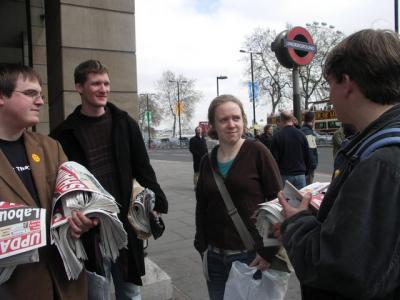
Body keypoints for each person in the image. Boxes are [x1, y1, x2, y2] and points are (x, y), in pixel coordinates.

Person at [278, 29, 400, 299]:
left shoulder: (380, 162)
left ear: (347, 83)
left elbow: (335, 266)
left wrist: (296, 220)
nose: (330, 96)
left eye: (329, 84)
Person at [50, 59, 168, 300]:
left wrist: (157, 204)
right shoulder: (63, 134)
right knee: (96, 294)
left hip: (125, 224)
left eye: (106, 83)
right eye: (96, 83)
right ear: (79, 87)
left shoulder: (125, 124)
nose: (103, 89)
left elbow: (144, 169)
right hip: (90, 229)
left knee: (131, 292)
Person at [0, 64, 89, 299]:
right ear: (1, 97)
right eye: (30, 94)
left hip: (67, 280)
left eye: (41, 94)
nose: (40, 101)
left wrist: (82, 219)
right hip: (16, 286)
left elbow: (74, 200)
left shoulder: (50, 147)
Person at [194, 94, 283, 300]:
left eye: (236, 118)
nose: (231, 124)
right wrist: (202, 246)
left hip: (251, 256)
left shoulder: (257, 151)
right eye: (223, 120)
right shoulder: (207, 161)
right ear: (213, 126)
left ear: (243, 120)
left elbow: (277, 203)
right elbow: (202, 206)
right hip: (215, 258)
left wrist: (268, 251)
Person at [271, 111, 311, 189]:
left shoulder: (277, 137)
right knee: (300, 200)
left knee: (285, 200)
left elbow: (274, 160)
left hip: (284, 175)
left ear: (281, 120)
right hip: (300, 175)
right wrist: (306, 172)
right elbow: (307, 156)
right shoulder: (301, 135)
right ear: (292, 120)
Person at [300, 111, 318, 185]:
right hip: (308, 169)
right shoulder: (309, 133)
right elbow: (311, 152)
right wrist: (313, 165)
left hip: (301, 166)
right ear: (313, 120)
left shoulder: (300, 131)